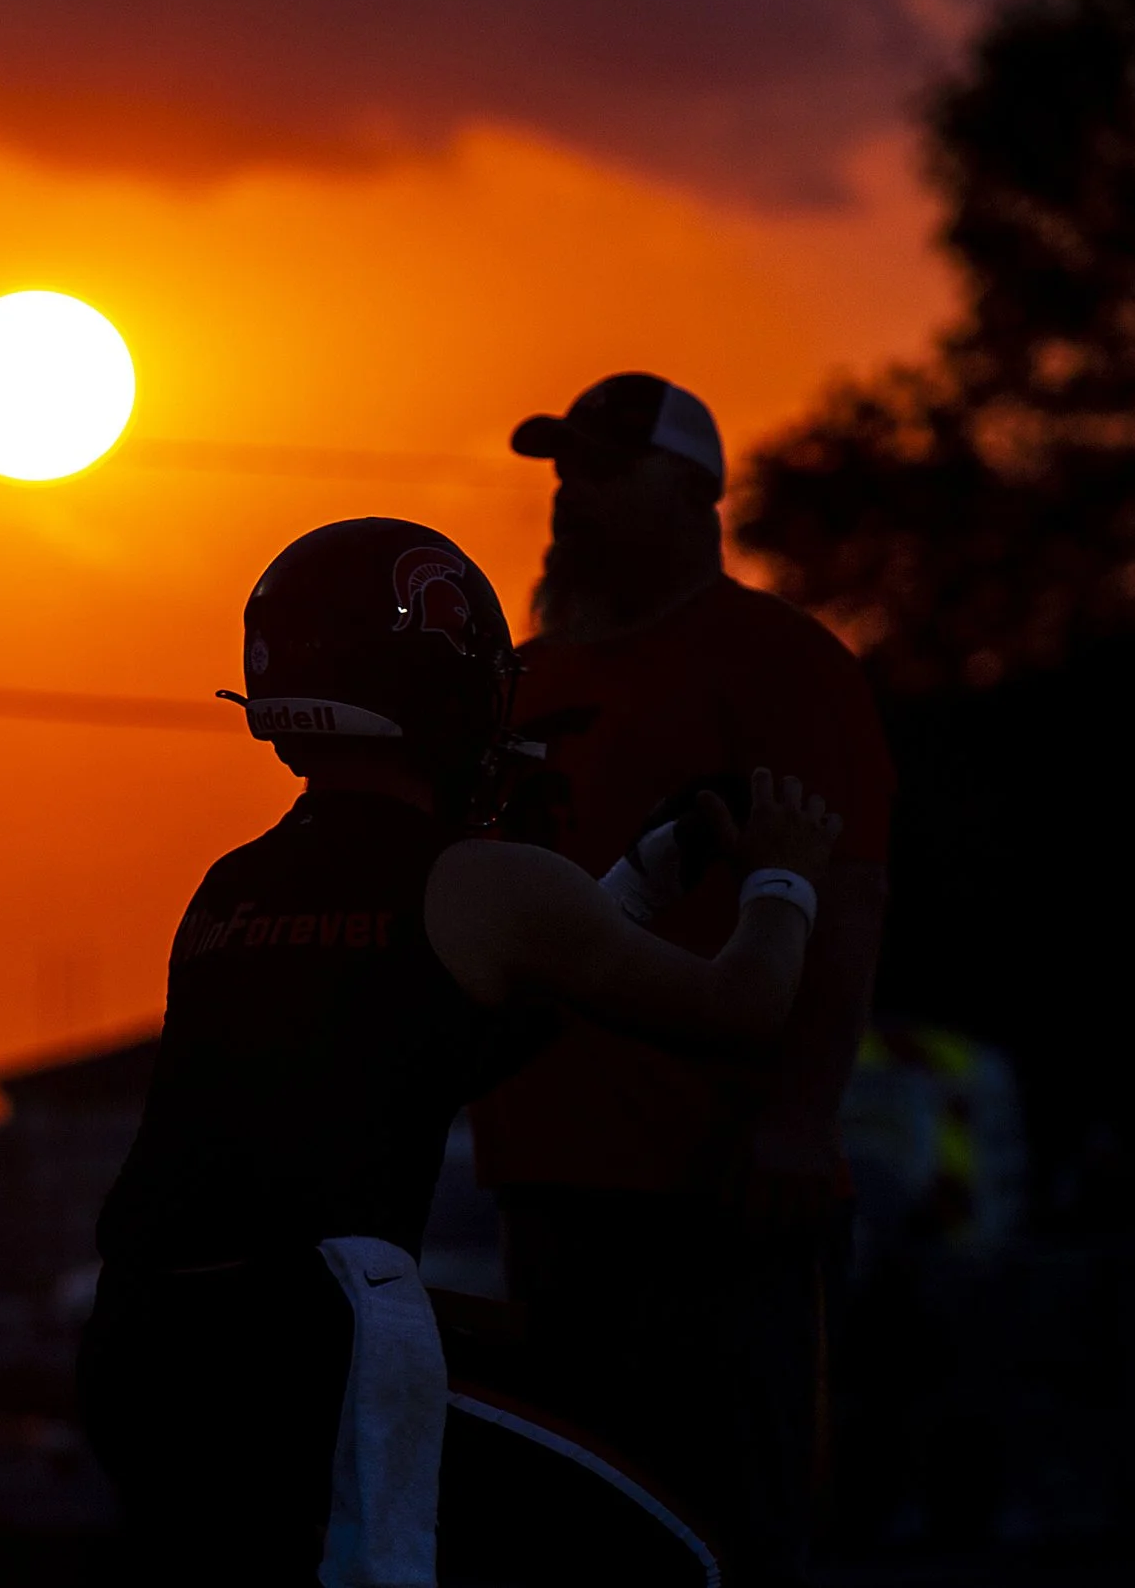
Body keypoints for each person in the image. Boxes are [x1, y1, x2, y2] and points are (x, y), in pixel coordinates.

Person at [79, 516, 842, 1586]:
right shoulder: (482, 879)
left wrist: (637, 877)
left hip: (147, 1344)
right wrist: (785, 874)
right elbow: (739, 1004)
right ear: (448, 686)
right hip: (307, 1352)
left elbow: (427, 1044)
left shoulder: (232, 882)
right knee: (684, 1549)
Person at [469, 372, 896, 1587]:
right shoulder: (522, 680)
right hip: (548, 1178)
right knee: (578, 1523)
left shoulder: (781, 661)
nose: (570, 498)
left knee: (741, 1523)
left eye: (602, 471)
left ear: (693, 493)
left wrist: (799, 1119)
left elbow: (846, 899)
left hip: (723, 1183)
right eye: (562, 473)